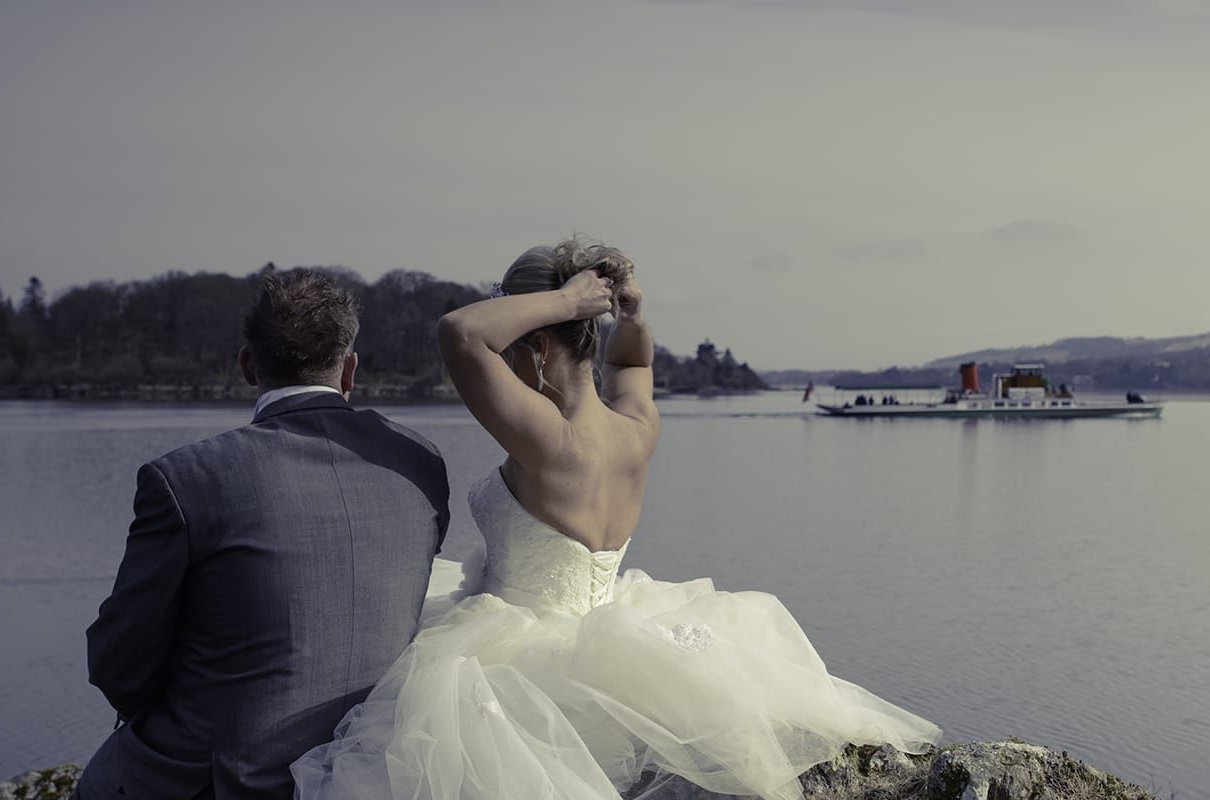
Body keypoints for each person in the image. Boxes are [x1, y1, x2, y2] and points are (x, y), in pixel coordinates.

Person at [292, 238, 939, 799]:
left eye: (517, 347)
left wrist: (569, 302)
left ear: (538, 344)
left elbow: (460, 333)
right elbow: (632, 364)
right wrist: (629, 313)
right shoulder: (637, 428)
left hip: (513, 659)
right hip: (605, 632)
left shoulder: (550, 439)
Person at [78, 271, 453, 799]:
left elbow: (118, 663)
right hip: (366, 766)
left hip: (223, 779)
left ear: (248, 365)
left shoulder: (185, 480)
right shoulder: (420, 463)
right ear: (349, 370)